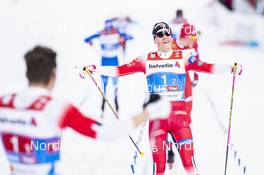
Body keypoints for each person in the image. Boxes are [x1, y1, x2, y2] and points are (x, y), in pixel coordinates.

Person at [82, 22, 242, 175]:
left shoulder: (184, 56)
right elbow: (118, 70)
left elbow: (207, 67)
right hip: (157, 121)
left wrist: (230, 67)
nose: (165, 36)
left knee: (190, 166)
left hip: (180, 120)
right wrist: (94, 69)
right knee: (159, 169)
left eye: (168, 33)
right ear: (155, 39)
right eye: (160, 33)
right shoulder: (145, 59)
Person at [0, 45, 171, 175]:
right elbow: (106, 132)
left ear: (27, 73)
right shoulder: (56, 107)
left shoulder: (4, 103)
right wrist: (148, 113)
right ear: (54, 75)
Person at [84, 19, 133, 118]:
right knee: (104, 86)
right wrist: (90, 42)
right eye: (108, 28)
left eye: (110, 28)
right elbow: (86, 39)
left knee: (115, 86)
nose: (109, 30)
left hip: (114, 62)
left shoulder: (117, 32)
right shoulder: (101, 33)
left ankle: (117, 109)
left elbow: (130, 37)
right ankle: (102, 110)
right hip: (105, 62)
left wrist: (123, 39)